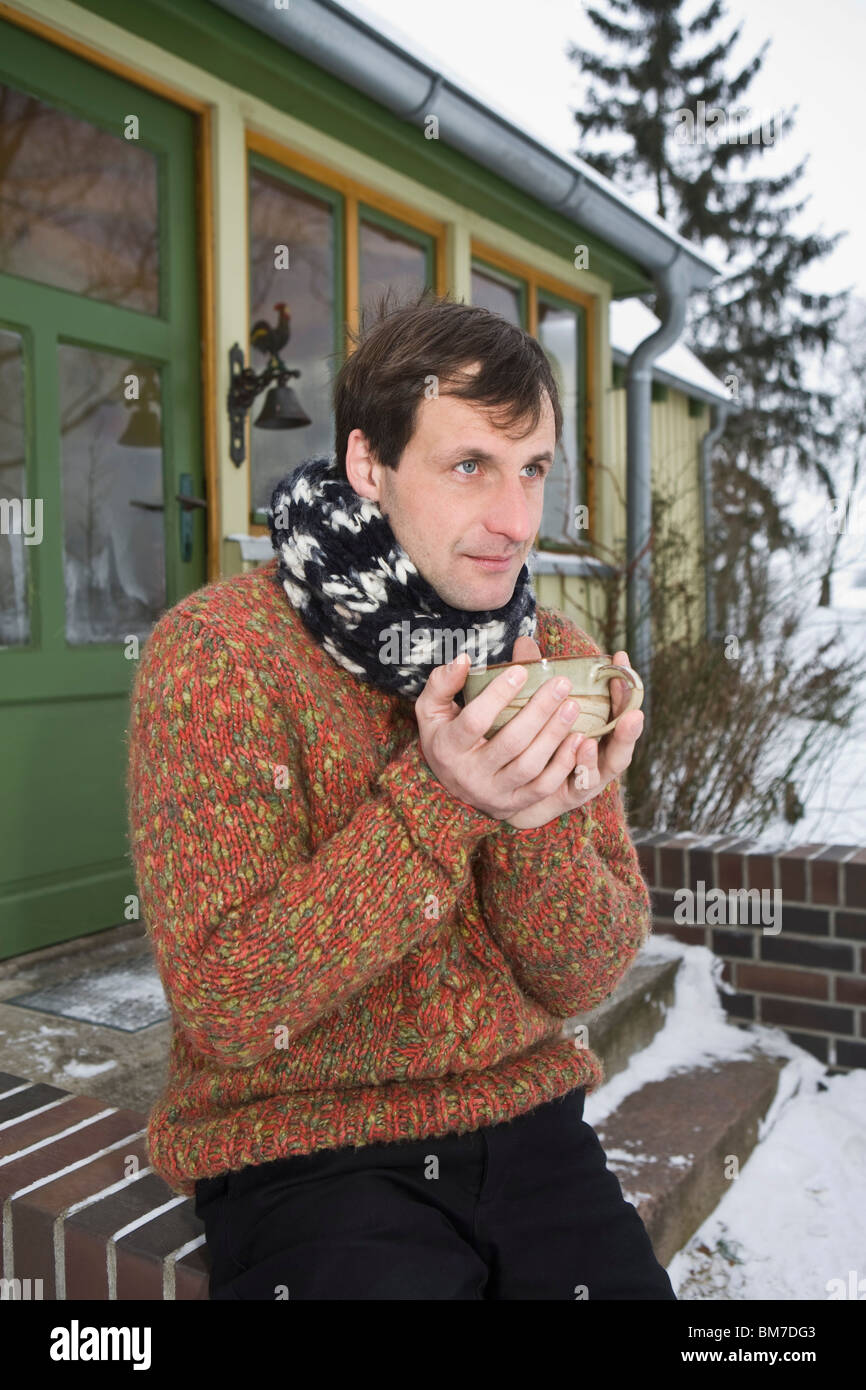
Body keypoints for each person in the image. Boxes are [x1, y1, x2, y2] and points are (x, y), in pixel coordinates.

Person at [126, 288, 675, 1301]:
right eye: (469, 465)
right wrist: (437, 799)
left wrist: (536, 816)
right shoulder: (221, 656)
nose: (514, 522)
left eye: (532, 471)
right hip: (306, 1148)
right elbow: (228, 1004)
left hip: (529, 1130)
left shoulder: (556, 659)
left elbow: (581, 973)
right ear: (368, 464)